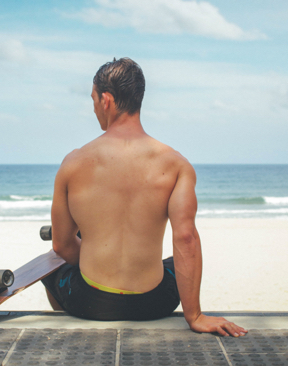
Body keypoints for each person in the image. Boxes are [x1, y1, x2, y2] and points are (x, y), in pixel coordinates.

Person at [41, 58, 247, 337]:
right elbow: (186, 238)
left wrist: (95, 258)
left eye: (92, 100)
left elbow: (63, 245)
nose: (93, 108)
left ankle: (71, 328)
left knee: (50, 269)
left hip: (88, 302)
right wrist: (195, 316)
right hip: (154, 303)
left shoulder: (73, 163)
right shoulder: (175, 164)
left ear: (106, 100)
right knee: (173, 263)